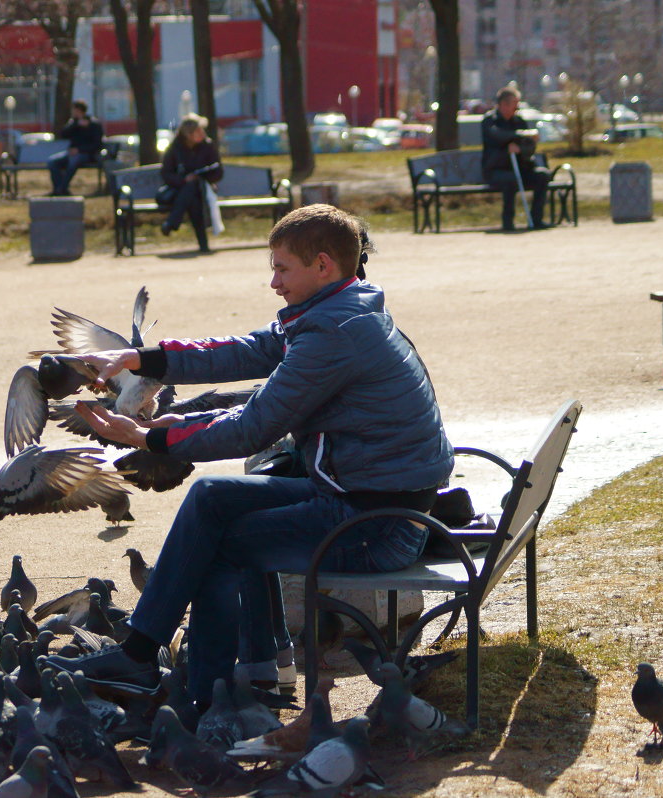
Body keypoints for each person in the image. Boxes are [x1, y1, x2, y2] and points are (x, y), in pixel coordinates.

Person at [44, 204, 454, 702]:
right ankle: (174, 661)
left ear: (322, 266)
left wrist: (149, 439)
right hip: (373, 500)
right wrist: (139, 358)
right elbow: (244, 350)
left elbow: (252, 429)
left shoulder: (334, 333)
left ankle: (207, 689)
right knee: (212, 496)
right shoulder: (345, 308)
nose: (275, 283)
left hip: (376, 525)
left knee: (223, 543)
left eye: (282, 269)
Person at [481, 87, 550, 231]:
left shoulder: (519, 121)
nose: (517, 107)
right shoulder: (489, 121)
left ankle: (536, 219)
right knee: (510, 180)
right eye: (515, 103)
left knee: (542, 175)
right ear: (504, 104)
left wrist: (521, 148)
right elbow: (497, 135)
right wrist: (516, 139)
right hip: (496, 170)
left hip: (521, 167)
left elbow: (529, 146)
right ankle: (508, 222)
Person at [158, 113, 223, 253]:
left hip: (203, 189)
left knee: (194, 190)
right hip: (179, 191)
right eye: (198, 131)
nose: (202, 133)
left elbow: (218, 171)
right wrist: (183, 180)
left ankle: (172, 222)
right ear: (188, 134)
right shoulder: (175, 148)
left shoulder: (207, 146)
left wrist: (205, 177)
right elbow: (166, 173)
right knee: (192, 193)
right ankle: (203, 244)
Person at [47, 100, 104, 196]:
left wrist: (79, 150)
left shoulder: (93, 124)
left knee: (73, 161)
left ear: (79, 110)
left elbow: (97, 144)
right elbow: (63, 134)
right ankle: (59, 189)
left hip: (87, 154)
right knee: (52, 162)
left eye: (74, 110)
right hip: (71, 152)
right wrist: (75, 124)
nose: (72, 112)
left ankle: (61, 189)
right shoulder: (73, 123)